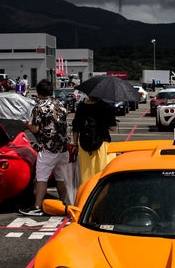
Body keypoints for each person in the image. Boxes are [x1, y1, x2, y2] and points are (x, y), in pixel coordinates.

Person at [19, 81, 71, 217]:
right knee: (60, 177)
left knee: (41, 178)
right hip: (63, 147)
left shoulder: (39, 107)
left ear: (38, 93)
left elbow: (35, 128)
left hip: (47, 148)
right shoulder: (61, 105)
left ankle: (37, 206)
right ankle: (62, 204)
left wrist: (27, 125)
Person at [71, 93, 117, 185]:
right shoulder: (105, 107)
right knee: (103, 177)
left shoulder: (81, 107)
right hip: (102, 145)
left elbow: (76, 128)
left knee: (86, 177)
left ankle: (88, 197)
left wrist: (75, 144)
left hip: (85, 146)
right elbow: (113, 128)